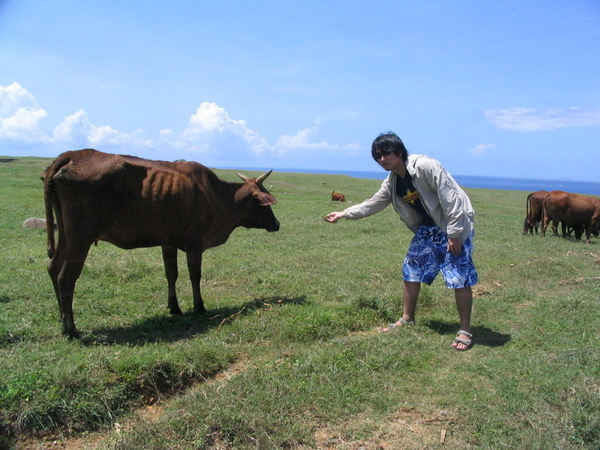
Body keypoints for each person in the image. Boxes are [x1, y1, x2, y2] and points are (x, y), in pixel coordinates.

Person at [324, 132, 478, 350]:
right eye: (377, 157)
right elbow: (374, 203)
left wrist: (454, 234)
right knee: (411, 269)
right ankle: (407, 319)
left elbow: (450, 198)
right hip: (427, 229)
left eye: (386, 154)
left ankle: (465, 330)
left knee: (458, 275)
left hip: (453, 225)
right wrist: (344, 213)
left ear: (399, 151)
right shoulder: (393, 181)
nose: (382, 160)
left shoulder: (425, 166)